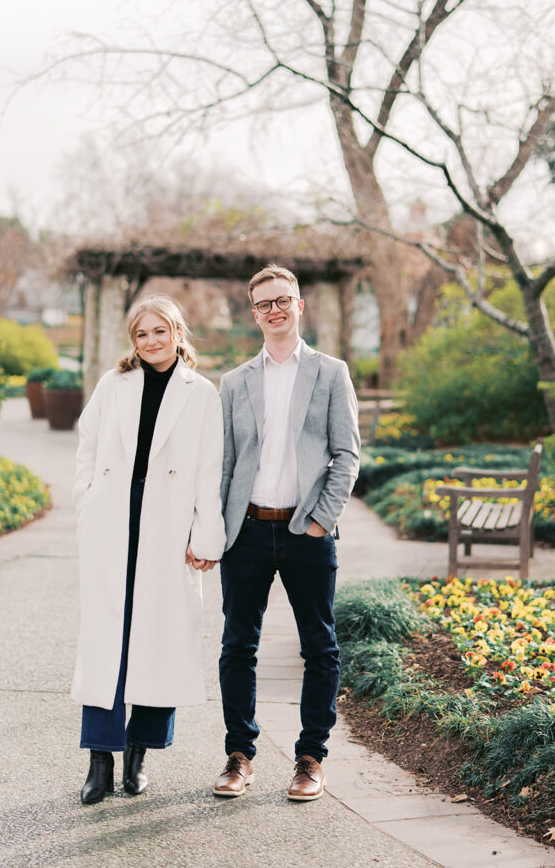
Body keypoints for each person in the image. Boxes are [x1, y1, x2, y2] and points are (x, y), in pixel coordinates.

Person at [213, 265, 360, 801]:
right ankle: (239, 755)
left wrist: (321, 520)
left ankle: (310, 758)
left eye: (283, 300)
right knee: (237, 647)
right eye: (264, 303)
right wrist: (214, 531)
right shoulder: (234, 382)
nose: (274, 310)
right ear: (254, 313)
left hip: (307, 531)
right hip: (247, 532)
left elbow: (347, 454)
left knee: (319, 648)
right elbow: (224, 464)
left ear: (299, 305)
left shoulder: (330, 373)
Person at [71, 294, 225, 804]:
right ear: (132, 340)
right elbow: (87, 446)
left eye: (161, 331)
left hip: (169, 525)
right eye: (142, 333)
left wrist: (206, 536)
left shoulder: (201, 394)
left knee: (161, 641)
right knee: (107, 643)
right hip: (113, 519)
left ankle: (139, 754)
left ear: (178, 333)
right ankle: (100, 759)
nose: (152, 340)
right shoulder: (112, 385)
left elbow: (210, 469)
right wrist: (87, 500)